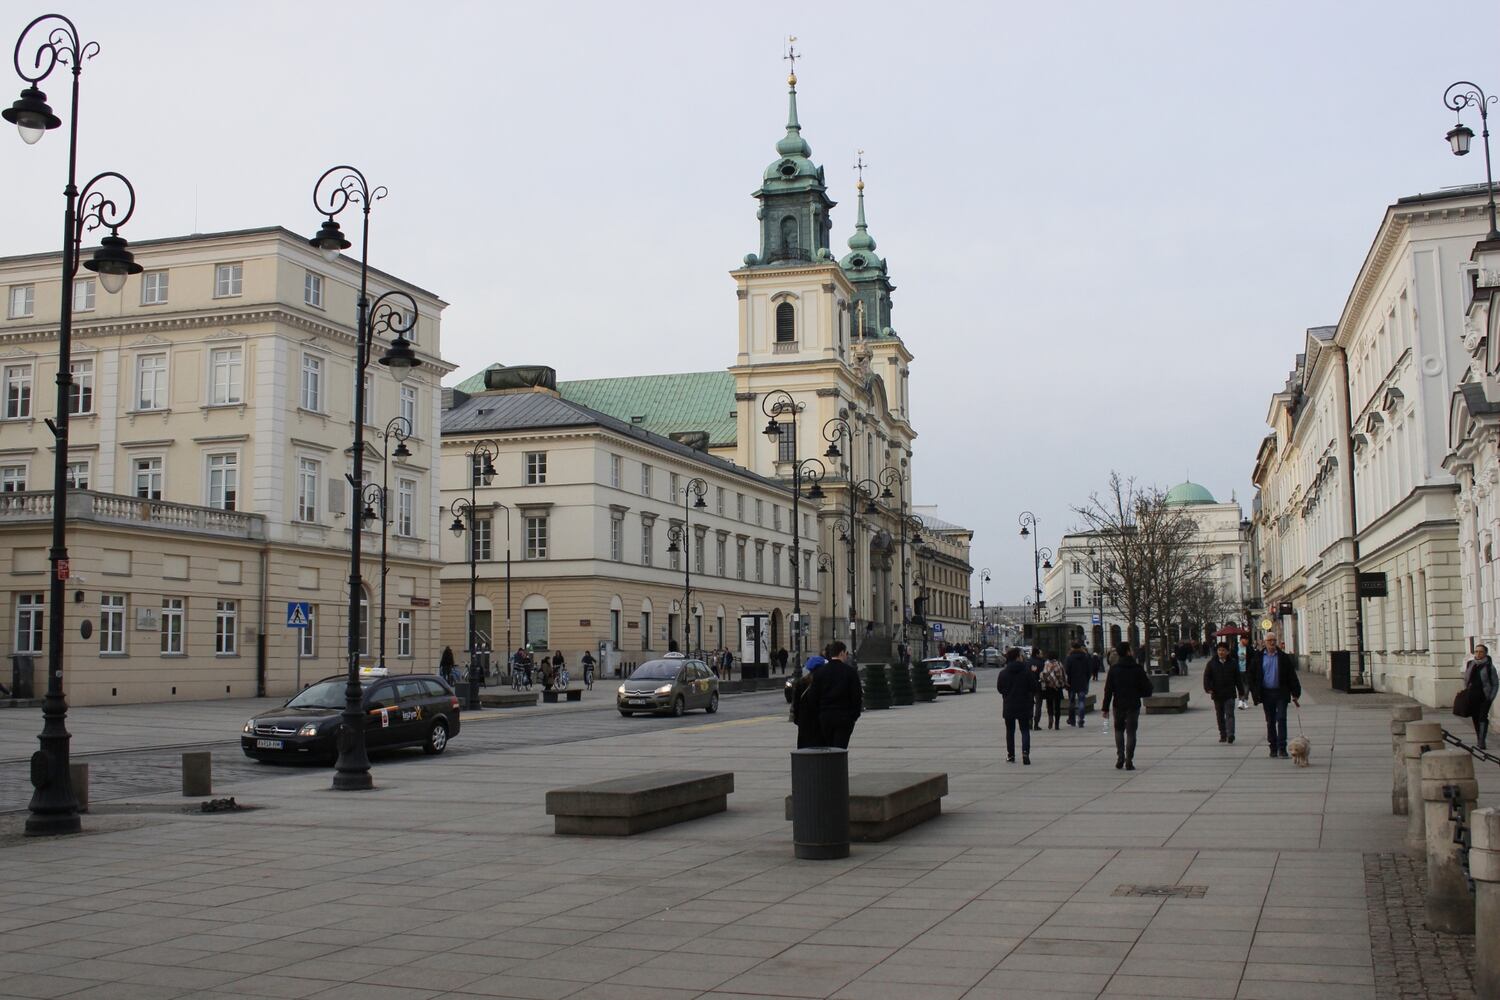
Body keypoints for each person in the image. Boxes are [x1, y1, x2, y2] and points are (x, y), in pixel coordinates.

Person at [1247, 632, 1301, 759]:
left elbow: (1291, 676)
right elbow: (1251, 675)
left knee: (1281, 718)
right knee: (1270, 721)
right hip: (1266, 693)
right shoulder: (1258, 657)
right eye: (1269, 640)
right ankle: (1273, 747)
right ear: (1264, 642)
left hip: (1281, 692)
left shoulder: (1283, 657)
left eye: (1274, 640)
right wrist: (1254, 691)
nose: (1272, 642)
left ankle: (1282, 747)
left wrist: (1295, 693)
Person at [1101, 641, 1154, 770]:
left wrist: (1105, 708)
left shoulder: (1114, 670)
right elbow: (1148, 689)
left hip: (1118, 704)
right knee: (1131, 732)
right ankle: (1129, 760)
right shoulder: (1137, 669)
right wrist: (1138, 692)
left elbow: (1108, 690)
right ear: (1128, 652)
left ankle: (1120, 757)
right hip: (1133, 704)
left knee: (1118, 730)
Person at [805, 641, 862, 748]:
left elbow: (812, 696)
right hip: (844, 716)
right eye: (846, 653)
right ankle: (839, 765)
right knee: (841, 747)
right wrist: (854, 715)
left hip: (825, 716)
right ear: (841, 653)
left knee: (829, 746)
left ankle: (831, 764)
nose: (846, 655)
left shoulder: (820, 672)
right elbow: (857, 696)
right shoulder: (850, 672)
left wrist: (820, 712)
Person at [996, 647, 1039, 765]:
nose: (1022, 657)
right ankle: (1025, 753)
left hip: (1009, 704)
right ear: (1017, 657)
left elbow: (1000, 688)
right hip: (1024, 704)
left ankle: (1011, 755)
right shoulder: (1027, 671)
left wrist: (1007, 693)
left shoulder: (1003, 672)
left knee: (1010, 731)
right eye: (1021, 655)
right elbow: (1034, 687)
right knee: (1025, 730)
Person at [1203, 641, 1247, 743]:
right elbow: (1207, 677)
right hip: (1217, 693)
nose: (1221, 652)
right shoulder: (1211, 663)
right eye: (1219, 650)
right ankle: (1223, 734)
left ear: (1227, 652)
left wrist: (1241, 692)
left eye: (1223, 650)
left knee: (1230, 714)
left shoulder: (1233, 663)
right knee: (1220, 715)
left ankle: (1231, 734)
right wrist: (1208, 688)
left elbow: (1237, 679)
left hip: (1229, 693)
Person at [789, 651, 827, 747]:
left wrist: (799, 720)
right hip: (819, 725)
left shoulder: (801, 683)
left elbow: (796, 705)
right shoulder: (823, 683)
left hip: (804, 724)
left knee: (805, 752)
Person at [1464, 645, 1498, 750]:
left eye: (1481, 652)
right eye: (1476, 651)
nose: (1478, 654)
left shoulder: (1489, 666)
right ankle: (1479, 738)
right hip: (1472, 695)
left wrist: (1490, 698)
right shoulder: (1470, 664)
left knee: (1483, 717)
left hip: (1484, 697)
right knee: (1475, 717)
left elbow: (1495, 684)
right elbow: (1467, 679)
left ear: (1485, 653)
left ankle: (1482, 741)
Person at [1064, 641, 1094, 727]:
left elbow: (1067, 670)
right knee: (1081, 701)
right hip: (1082, 682)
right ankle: (1081, 719)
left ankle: (1072, 720)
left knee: (1071, 702)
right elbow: (1089, 670)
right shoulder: (1085, 657)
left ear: (1072, 648)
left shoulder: (1069, 658)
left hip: (1072, 682)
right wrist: (1086, 679)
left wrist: (1068, 680)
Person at [1040, 655, 1066, 730]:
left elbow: (1043, 675)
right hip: (1057, 688)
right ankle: (1057, 724)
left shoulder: (1046, 664)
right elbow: (1063, 675)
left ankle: (1050, 718)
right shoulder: (1059, 664)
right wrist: (1063, 683)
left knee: (1049, 704)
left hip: (1049, 687)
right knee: (1057, 706)